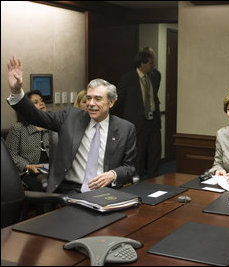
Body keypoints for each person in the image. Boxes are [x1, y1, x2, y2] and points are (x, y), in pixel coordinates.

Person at [7, 56, 137, 195]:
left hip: (105, 192)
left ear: (111, 102)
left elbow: (129, 167)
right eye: (88, 98)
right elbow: (36, 116)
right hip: (71, 190)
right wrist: (16, 92)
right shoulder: (70, 117)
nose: (91, 103)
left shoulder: (126, 129)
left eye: (98, 99)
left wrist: (113, 174)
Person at [112, 47, 161, 180]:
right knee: (138, 155)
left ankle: (154, 179)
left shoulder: (155, 76)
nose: (153, 65)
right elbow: (119, 99)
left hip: (154, 121)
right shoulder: (127, 79)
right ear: (142, 63)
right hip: (137, 123)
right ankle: (137, 181)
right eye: (151, 63)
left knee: (155, 153)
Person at [5, 90, 50, 192]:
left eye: (41, 101)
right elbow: (11, 155)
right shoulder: (18, 128)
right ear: (27, 108)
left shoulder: (52, 126)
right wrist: (27, 166)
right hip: (28, 172)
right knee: (43, 187)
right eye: (36, 102)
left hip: (51, 171)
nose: (41, 103)